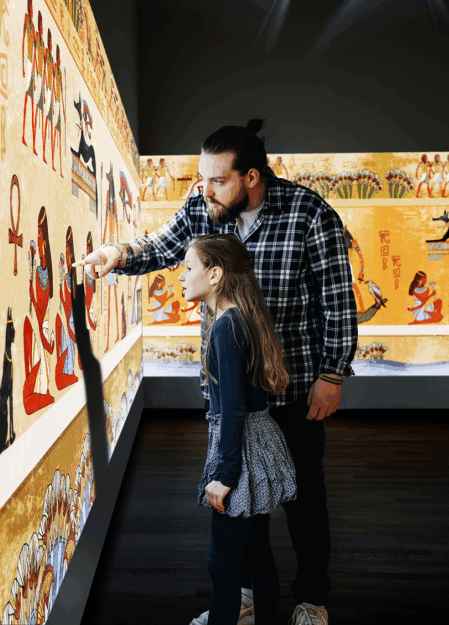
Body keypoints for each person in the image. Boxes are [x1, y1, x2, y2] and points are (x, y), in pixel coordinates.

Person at [77, 118, 357, 625]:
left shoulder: (309, 214)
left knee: (304, 501)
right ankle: (247, 595)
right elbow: (161, 247)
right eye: (201, 179)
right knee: (242, 504)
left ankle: (312, 600)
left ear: (251, 177)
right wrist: (115, 254)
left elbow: (336, 303)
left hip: (291, 390)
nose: (203, 190)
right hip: (229, 394)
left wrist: (332, 374)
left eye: (217, 180)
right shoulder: (202, 207)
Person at [180, 233, 296, 625]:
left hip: (242, 453)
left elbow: (232, 410)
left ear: (214, 274)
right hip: (259, 442)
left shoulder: (225, 328)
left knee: (223, 563)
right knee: (257, 551)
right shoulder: (240, 318)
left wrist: (225, 476)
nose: (182, 275)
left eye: (189, 267)